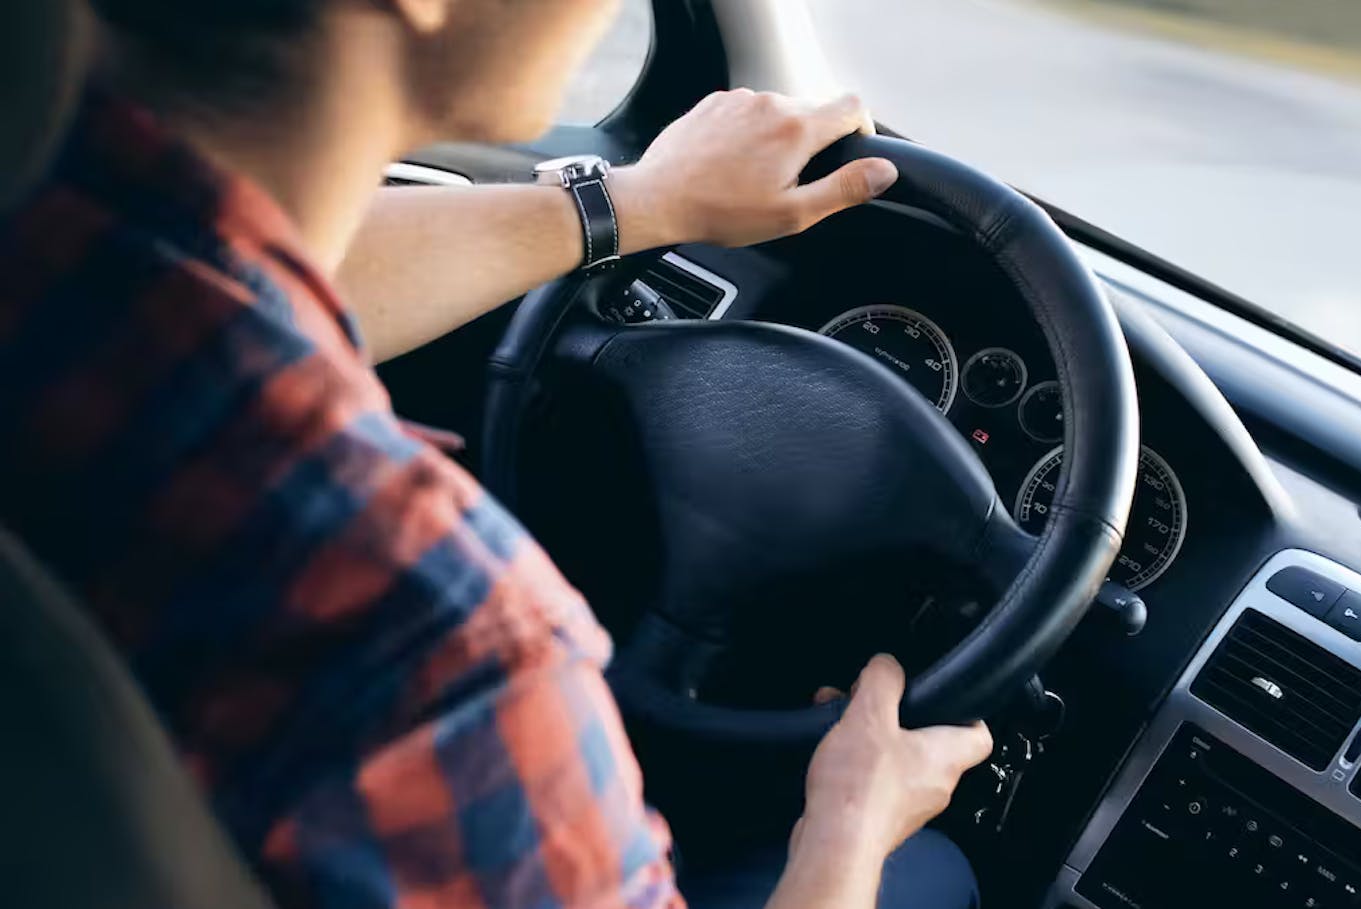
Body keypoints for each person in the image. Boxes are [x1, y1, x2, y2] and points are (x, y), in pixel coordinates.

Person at [0, 1, 995, 908]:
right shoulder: (434, 641)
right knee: (927, 875)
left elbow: (258, 275)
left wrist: (640, 202)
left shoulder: (52, 223)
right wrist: (849, 824)